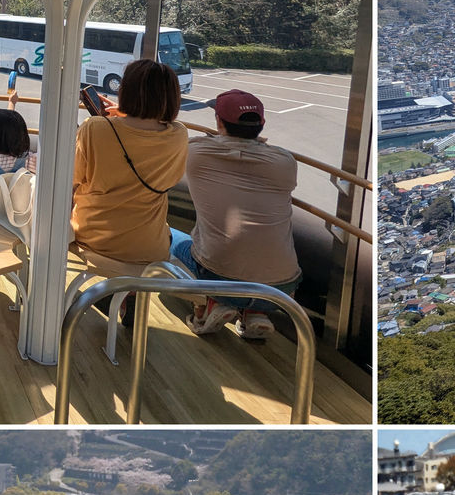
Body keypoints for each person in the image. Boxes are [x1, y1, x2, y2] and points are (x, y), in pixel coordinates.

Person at [173, 88, 301, 344]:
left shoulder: (198, 154)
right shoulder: (285, 163)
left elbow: (188, 142)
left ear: (219, 122)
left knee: (170, 239)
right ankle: (256, 312)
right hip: (282, 288)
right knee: (253, 262)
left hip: (219, 277)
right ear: (261, 124)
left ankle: (208, 303)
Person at [71, 57, 188, 275]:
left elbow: (72, 179)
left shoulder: (94, 128)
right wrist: (126, 116)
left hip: (93, 241)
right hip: (149, 249)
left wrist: (119, 117)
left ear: (126, 91)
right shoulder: (178, 134)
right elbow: (170, 179)